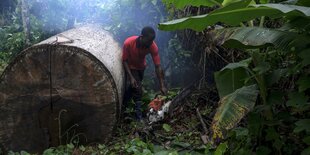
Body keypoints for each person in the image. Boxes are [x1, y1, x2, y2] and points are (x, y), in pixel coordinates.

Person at [122, 26, 167, 120]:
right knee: (138, 90)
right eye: (149, 41)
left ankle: (124, 107)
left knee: (132, 88)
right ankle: (138, 119)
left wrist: (162, 85)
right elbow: (124, 60)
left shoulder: (152, 46)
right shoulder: (129, 42)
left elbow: (158, 66)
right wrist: (131, 77)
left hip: (141, 67)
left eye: (152, 41)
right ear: (142, 36)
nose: (150, 43)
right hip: (130, 67)